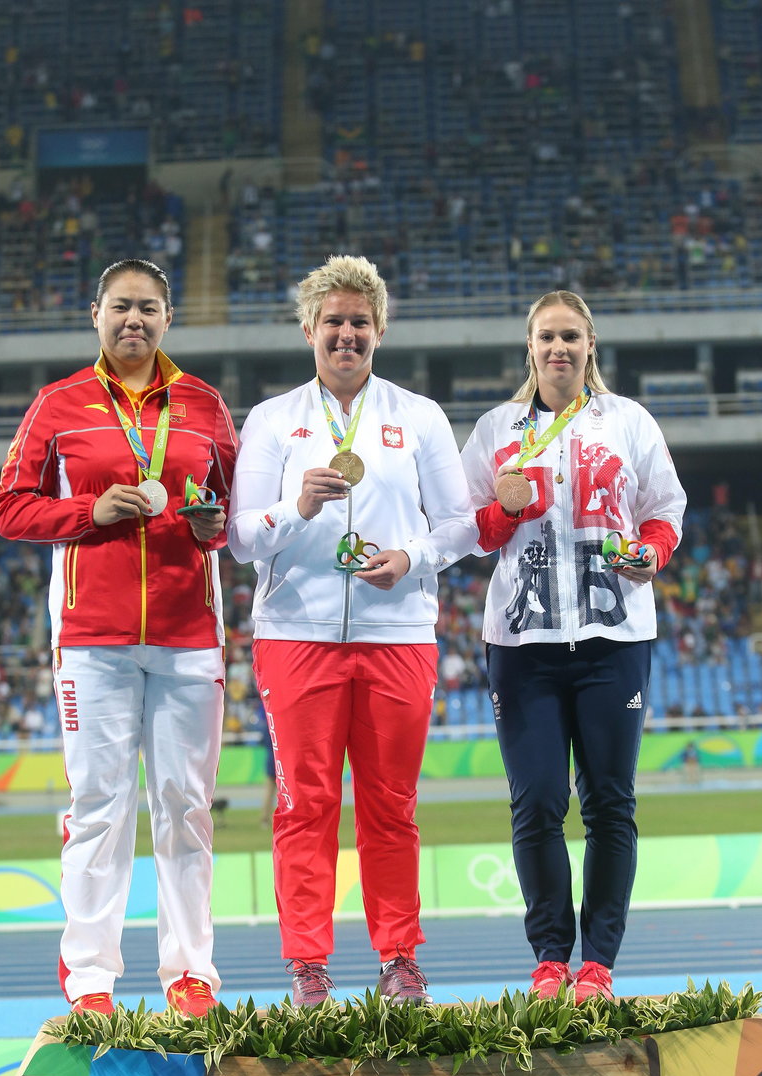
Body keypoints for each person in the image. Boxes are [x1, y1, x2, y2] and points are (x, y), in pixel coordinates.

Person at [228, 255, 478, 1006]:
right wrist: (294, 509)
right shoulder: (273, 419)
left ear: (379, 331)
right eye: (333, 322)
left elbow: (463, 526)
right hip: (295, 634)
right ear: (310, 329)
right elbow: (240, 539)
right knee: (304, 803)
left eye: (359, 323)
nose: (346, 335)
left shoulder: (419, 416)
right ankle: (308, 964)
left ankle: (399, 956)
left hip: (398, 631)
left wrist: (413, 556)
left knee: (390, 805)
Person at [0, 258, 238, 1018]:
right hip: (92, 638)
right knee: (99, 803)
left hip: (189, 634)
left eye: (150, 309)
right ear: (95, 313)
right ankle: (91, 977)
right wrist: (86, 515)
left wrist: (211, 525)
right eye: (121, 307)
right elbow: (9, 508)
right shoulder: (56, 404)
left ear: (169, 318)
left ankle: (189, 973)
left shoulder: (203, 405)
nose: (135, 320)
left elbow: (229, 510)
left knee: (185, 806)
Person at [460, 290, 686, 1004]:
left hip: (614, 637)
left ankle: (599, 965)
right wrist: (504, 508)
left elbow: (665, 510)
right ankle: (551, 958)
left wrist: (651, 552)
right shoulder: (497, 429)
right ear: (528, 347)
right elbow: (469, 532)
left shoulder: (629, 422)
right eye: (545, 337)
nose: (558, 348)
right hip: (523, 644)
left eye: (570, 337)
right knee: (535, 804)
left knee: (611, 805)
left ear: (592, 344)